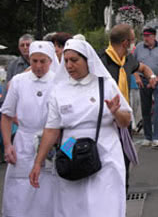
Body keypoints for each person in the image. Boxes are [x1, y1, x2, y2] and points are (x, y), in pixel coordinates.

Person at [29, 39, 132, 217]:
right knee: (70, 201)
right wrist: (38, 163)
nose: (69, 65)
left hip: (104, 147)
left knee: (103, 203)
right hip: (70, 145)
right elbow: (52, 130)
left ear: (87, 60)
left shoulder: (105, 84)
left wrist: (115, 113)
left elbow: (126, 121)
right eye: (66, 60)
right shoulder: (59, 89)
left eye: (74, 60)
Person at [1, 41, 58, 217]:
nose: (38, 66)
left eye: (43, 61)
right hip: (23, 143)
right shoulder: (19, 81)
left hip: (50, 144)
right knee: (20, 192)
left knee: (47, 191)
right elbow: (6, 115)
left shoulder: (59, 82)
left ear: (50, 61)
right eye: (34, 61)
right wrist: (8, 144)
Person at [99, 23, 158, 192]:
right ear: (125, 43)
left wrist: (151, 76)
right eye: (133, 40)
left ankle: (121, 197)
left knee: (123, 166)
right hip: (105, 122)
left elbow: (143, 68)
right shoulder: (102, 61)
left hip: (123, 121)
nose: (135, 43)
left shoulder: (127, 59)